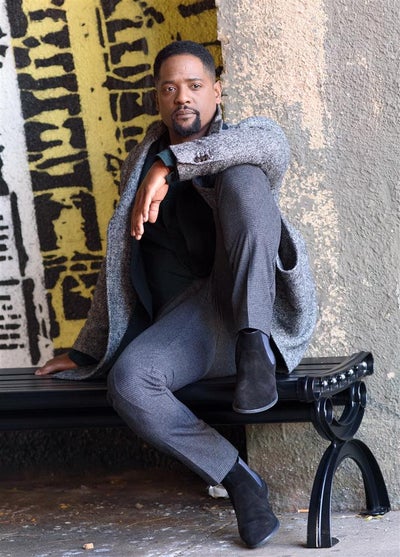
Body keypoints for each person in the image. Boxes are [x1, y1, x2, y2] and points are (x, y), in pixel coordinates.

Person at [36, 40, 317, 549]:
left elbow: (270, 146)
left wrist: (170, 164)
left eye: (194, 85)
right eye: (169, 88)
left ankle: (255, 343)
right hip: (195, 322)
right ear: (157, 98)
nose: (181, 97)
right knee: (130, 382)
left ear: (216, 91)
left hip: (248, 306)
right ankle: (239, 480)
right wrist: (86, 349)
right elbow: (117, 265)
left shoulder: (249, 137)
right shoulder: (139, 162)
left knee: (244, 178)